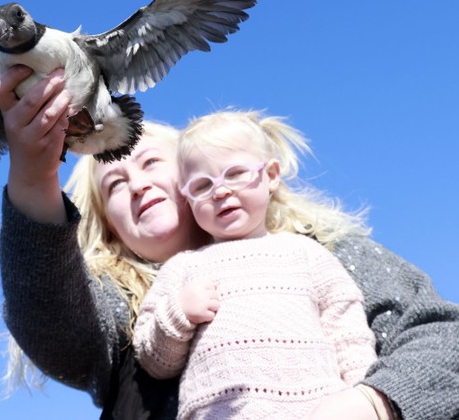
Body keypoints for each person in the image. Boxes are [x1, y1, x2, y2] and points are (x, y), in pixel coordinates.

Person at [0, 65, 459, 420]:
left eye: (150, 165)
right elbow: (54, 324)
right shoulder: (122, 313)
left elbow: (440, 334)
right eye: (114, 186)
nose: (137, 185)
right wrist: (35, 179)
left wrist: (372, 401)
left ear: (194, 176)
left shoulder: (314, 252)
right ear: (108, 227)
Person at [132, 111, 378, 418]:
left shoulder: (306, 253)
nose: (220, 191)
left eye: (235, 174)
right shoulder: (183, 268)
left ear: (271, 175)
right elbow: (154, 361)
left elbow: (349, 333)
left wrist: (361, 395)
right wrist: (178, 313)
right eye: (202, 185)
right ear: (187, 198)